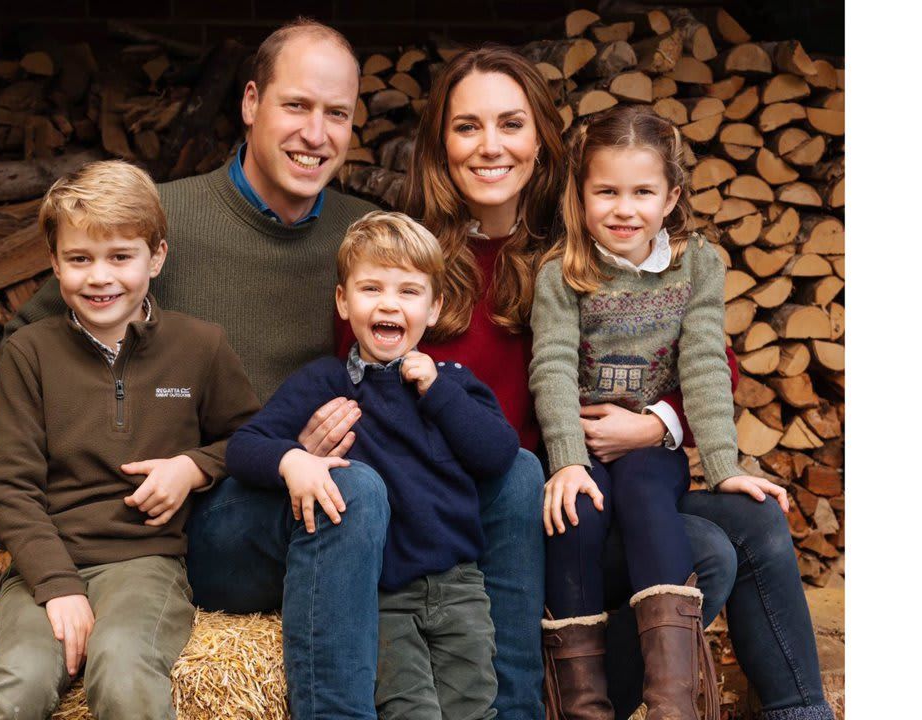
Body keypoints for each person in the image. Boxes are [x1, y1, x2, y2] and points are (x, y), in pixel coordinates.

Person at [0, 20, 547, 720]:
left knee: (516, 474)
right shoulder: (163, 223)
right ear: (251, 101)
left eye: (337, 114)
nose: (315, 133)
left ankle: (517, 709)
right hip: (214, 518)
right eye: (297, 106)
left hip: (346, 497)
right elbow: (38, 342)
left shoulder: (365, 233)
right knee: (357, 492)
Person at [389, 46, 832, 720]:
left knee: (756, 518)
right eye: (467, 126)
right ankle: (598, 705)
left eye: (510, 124)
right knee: (706, 552)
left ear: (541, 140)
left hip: (619, 466)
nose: (490, 146)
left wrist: (657, 424)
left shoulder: (585, 242)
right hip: (521, 502)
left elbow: (712, 358)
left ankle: (801, 712)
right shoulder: (412, 262)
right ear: (440, 142)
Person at [0, 160, 260, 720]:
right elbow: (9, 487)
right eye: (79, 259)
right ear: (54, 263)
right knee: (16, 684)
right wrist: (59, 587)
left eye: (120, 257)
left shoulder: (200, 346)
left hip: (145, 563)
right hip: (43, 564)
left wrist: (193, 467)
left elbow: (249, 437)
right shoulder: (29, 353)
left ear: (156, 257)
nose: (99, 277)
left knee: (123, 667)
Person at [528, 106, 789, 719]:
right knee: (576, 515)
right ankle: (581, 706)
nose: (624, 209)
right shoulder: (562, 271)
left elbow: (702, 363)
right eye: (607, 192)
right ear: (580, 194)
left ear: (671, 196)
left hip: (651, 449)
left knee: (648, 493)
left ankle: (672, 702)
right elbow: (553, 365)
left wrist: (723, 467)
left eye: (643, 191)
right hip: (580, 448)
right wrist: (565, 461)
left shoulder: (697, 265)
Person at [229, 211, 518, 720]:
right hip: (385, 593)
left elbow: (497, 456)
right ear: (344, 302)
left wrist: (436, 391)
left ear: (435, 308)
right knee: (410, 710)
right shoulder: (325, 382)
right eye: (371, 289)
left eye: (409, 291)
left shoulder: (453, 383)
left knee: (474, 706)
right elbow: (245, 446)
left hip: (460, 587)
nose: (389, 303)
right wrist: (293, 459)